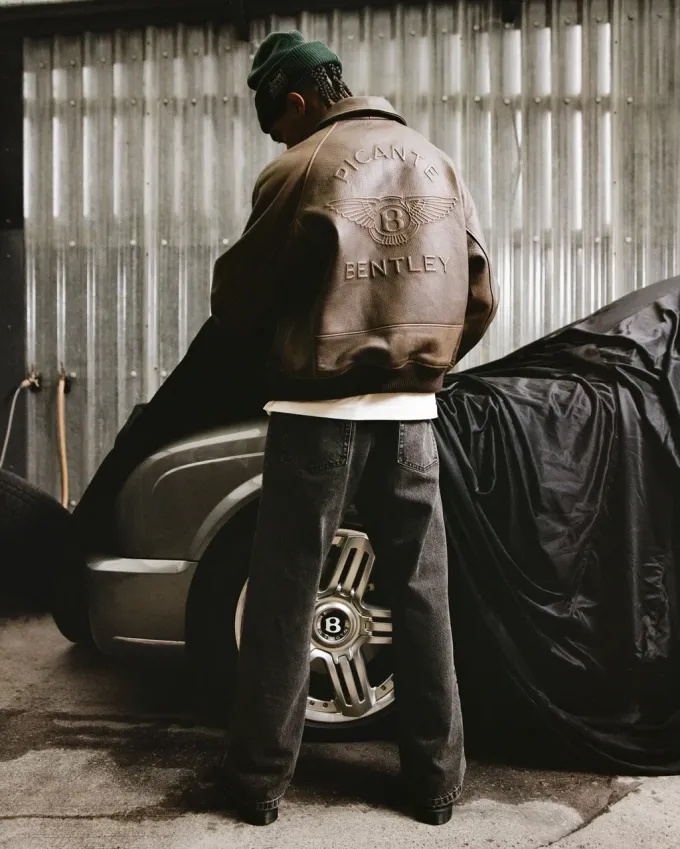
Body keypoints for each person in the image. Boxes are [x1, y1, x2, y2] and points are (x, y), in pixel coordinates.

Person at [210, 30, 497, 827]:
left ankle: (256, 784)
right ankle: (436, 786)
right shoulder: (436, 161)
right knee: (423, 595)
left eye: (278, 123)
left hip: (315, 417)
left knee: (284, 597)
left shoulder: (300, 168)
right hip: (413, 417)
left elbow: (236, 300)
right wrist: (423, 364)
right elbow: (478, 295)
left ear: (298, 101)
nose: (279, 140)